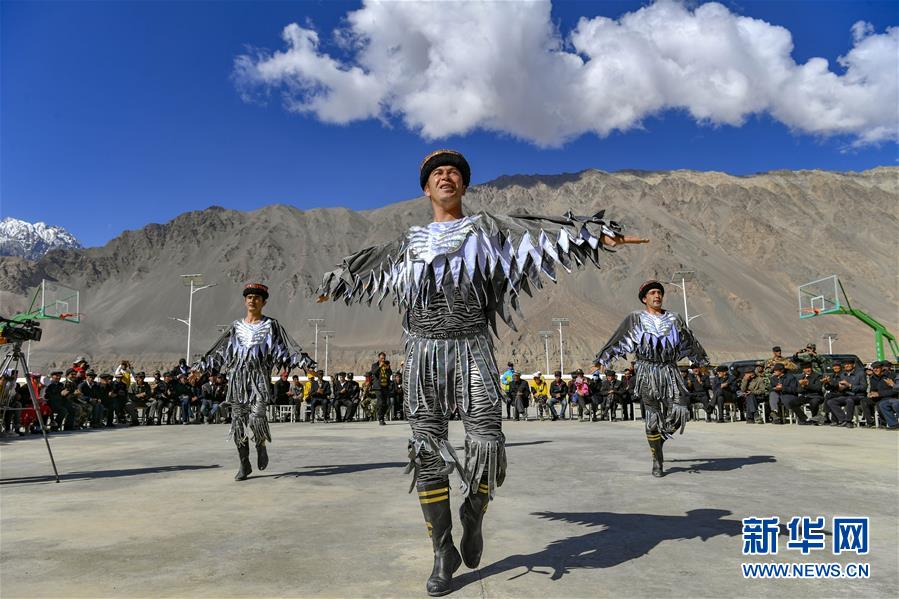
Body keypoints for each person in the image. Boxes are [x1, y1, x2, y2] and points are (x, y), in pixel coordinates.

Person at [317, 149, 644, 595]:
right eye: (437, 173)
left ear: (464, 185)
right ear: (426, 188)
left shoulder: (488, 231)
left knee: (488, 444)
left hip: (472, 349)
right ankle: (442, 551)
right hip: (422, 355)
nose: (445, 176)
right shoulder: (407, 243)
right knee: (426, 450)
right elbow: (365, 265)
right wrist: (338, 279)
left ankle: (474, 511)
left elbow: (541, 234)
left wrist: (591, 236)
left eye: (454, 172)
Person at [198, 283, 314, 481]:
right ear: (245, 301)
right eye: (249, 297)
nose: (252, 300)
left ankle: (260, 445)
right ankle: (244, 463)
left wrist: (304, 363)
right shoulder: (235, 327)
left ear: (263, 302)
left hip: (259, 380)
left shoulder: (271, 325)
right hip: (237, 380)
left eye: (257, 298)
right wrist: (199, 368)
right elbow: (219, 351)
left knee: (256, 418)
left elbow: (285, 349)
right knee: (238, 422)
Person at [594, 280, 708, 477]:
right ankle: (657, 460)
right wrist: (602, 359)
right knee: (653, 416)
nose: (657, 296)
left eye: (659, 292)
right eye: (653, 293)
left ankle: (659, 439)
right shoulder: (635, 318)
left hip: (670, 371)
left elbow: (689, 340)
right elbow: (618, 338)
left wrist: (702, 361)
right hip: (646, 371)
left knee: (681, 409)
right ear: (644, 299)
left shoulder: (674, 318)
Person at [825, 359, 865, 428]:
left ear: (853, 365)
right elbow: (840, 387)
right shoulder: (843, 375)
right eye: (845, 364)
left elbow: (864, 387)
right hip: (846, 395)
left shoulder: (860, 374)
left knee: (849, 400)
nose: (847, 366)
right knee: (831, 401)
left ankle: (849, 422)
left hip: (858, 395)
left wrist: (850, 385)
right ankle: (843, 420)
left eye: (849, 364)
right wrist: (828, 383)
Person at [862, 361, 897, 428]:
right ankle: (870, 422)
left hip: (889, 397)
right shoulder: (872, 378)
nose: (875, 370)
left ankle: (883, 423)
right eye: (874, 368)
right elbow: (873, 389)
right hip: (877, 397)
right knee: (864, 401)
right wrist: (871, 393)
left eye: (877, 368)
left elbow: (894, 391)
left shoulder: (891, 375)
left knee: (880, 403)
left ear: (882, 368)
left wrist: (879, 394)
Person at [370, 352, 393, 426]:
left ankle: (382, 414)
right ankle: (381, 419)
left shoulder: (386, 364)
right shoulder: (375, 365)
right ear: (379, 358)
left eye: (384, 358)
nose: (383, 360)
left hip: (385, 386)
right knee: (380, 402)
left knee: (387, 403)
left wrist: (388, 368)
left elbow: (390, 373)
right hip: (378, 387)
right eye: (381, 358)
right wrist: (379, 366)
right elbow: (374, 373)